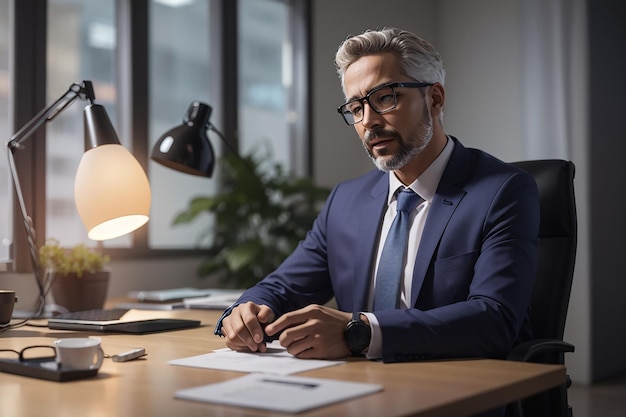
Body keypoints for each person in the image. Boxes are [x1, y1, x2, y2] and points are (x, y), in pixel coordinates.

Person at [215, 27, 539, 365]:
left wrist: (362, 332)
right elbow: (284, 286)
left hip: (456, 385)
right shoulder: (346, 200)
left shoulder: (503, 191)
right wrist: (244, 311)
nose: (368, 121)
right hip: (354, 387)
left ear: (435, 98)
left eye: (385, 98)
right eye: (356, 108)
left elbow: (495, 319)